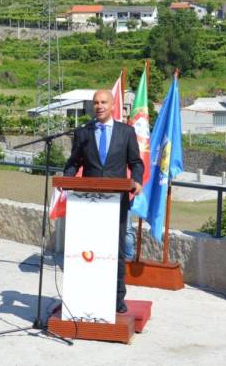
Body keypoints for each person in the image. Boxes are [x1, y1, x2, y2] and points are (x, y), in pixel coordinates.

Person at [63, 89, 144, 314]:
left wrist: (136, 180)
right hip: (88, 204)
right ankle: (88, 292)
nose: (98, 106)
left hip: (116, 202)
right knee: (90, 249)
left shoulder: (126, 132)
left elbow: (136, 163)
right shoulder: (83, 133)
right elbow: (73, 163)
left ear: (112, 105)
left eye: (103, 102)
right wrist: (65, 180)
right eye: (95, 103)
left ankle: (117, 297)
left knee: (116, 250)